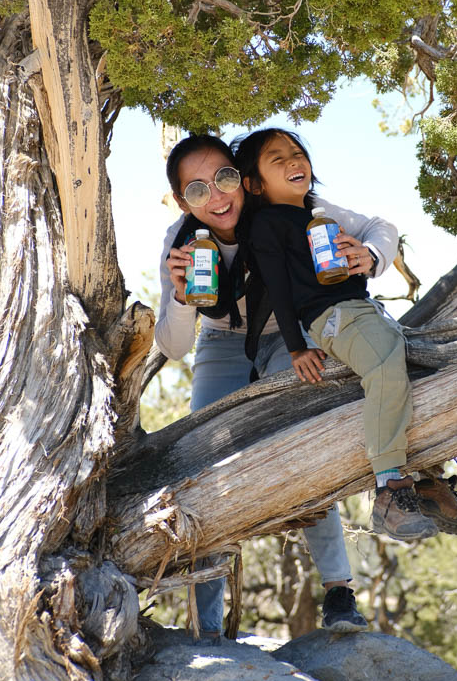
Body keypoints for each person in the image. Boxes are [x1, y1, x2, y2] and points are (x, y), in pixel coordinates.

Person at [156, 133, 400, 637]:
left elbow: (380, 226)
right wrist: (180, 298)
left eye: (224, 178)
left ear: (243, 179)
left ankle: (338, 591)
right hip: (222, 341)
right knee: (204, 471)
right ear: (182, 201)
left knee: (299, 443)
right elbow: (173, 346)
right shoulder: (181, 242)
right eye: (197, 190)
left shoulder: (286, 205)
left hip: (293, 334)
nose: (216, 196)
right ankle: (206, 627)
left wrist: (371, 255)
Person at [233, 128, 457, 542]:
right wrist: (296, 348)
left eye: (297, 152)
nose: (293, 161)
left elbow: (378, 228)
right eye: (277, 159)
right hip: (333, 317)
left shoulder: (317, 215)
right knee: (385, 368)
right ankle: (390, 489)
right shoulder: (267, 223)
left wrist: (363, 254)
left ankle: (428, 481)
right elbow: (276, 286)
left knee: (414, 376)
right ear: (255, 185)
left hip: (364, 310)